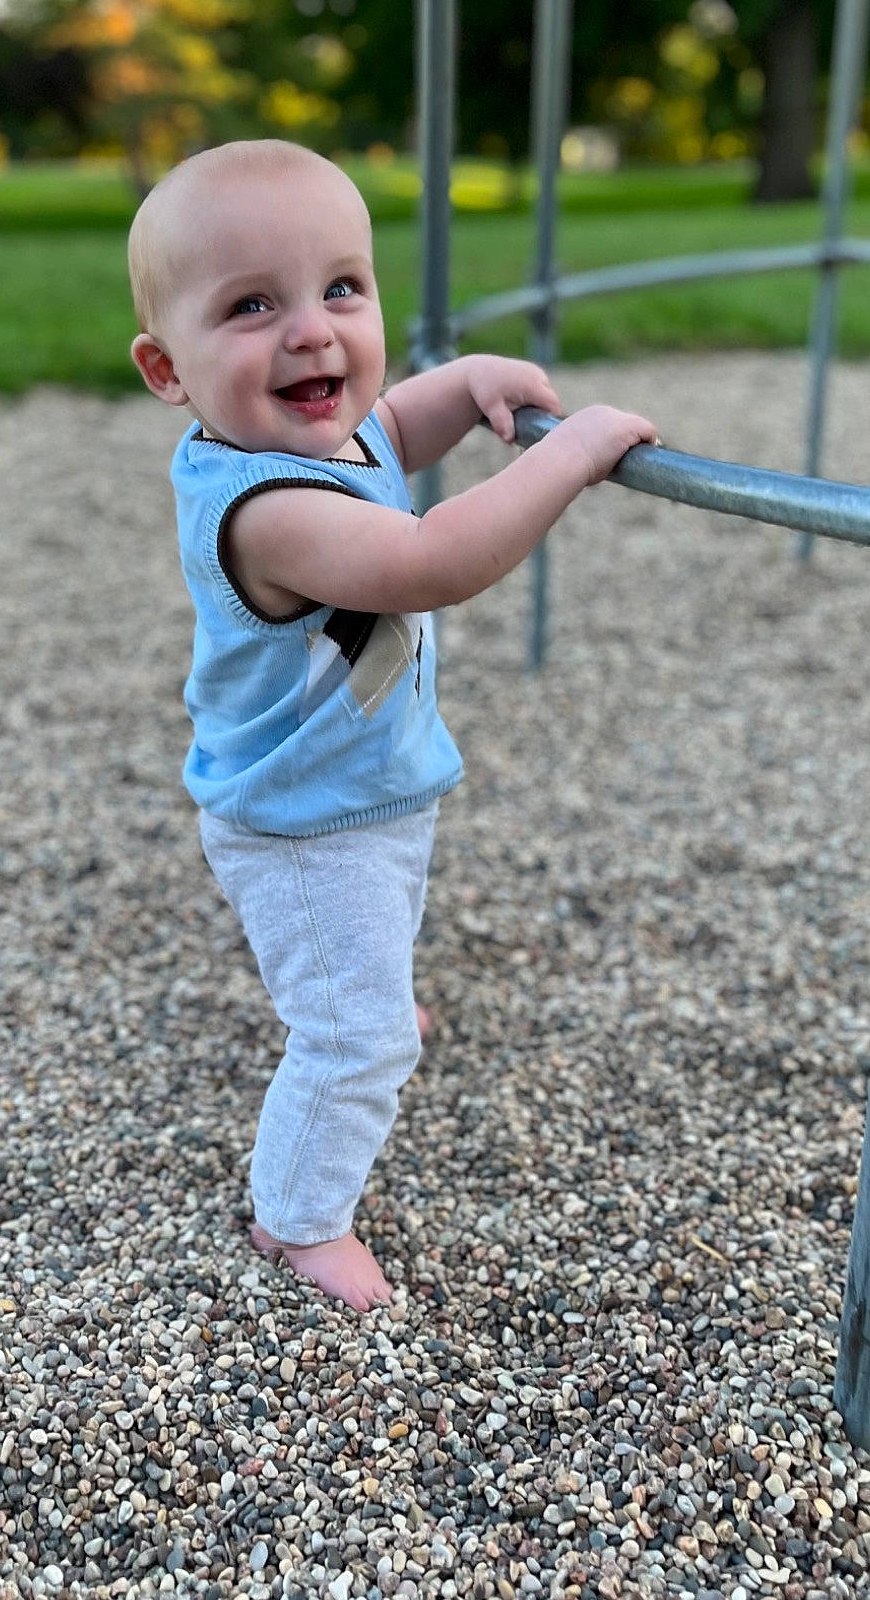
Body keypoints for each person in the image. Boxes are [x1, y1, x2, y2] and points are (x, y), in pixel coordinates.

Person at [128, 139, 657, 1312]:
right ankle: (298, 1219)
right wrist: (565, 458)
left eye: (341, 288)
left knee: (380, 940)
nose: (313, 331)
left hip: (361, 792)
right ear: (169, 369)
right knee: (358, 1043)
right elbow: (426, 559)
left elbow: (393, 434)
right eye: (252, 305)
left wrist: (461, 383)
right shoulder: (264, 508)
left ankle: (361, 985)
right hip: (300, 824)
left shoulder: (321, 431)